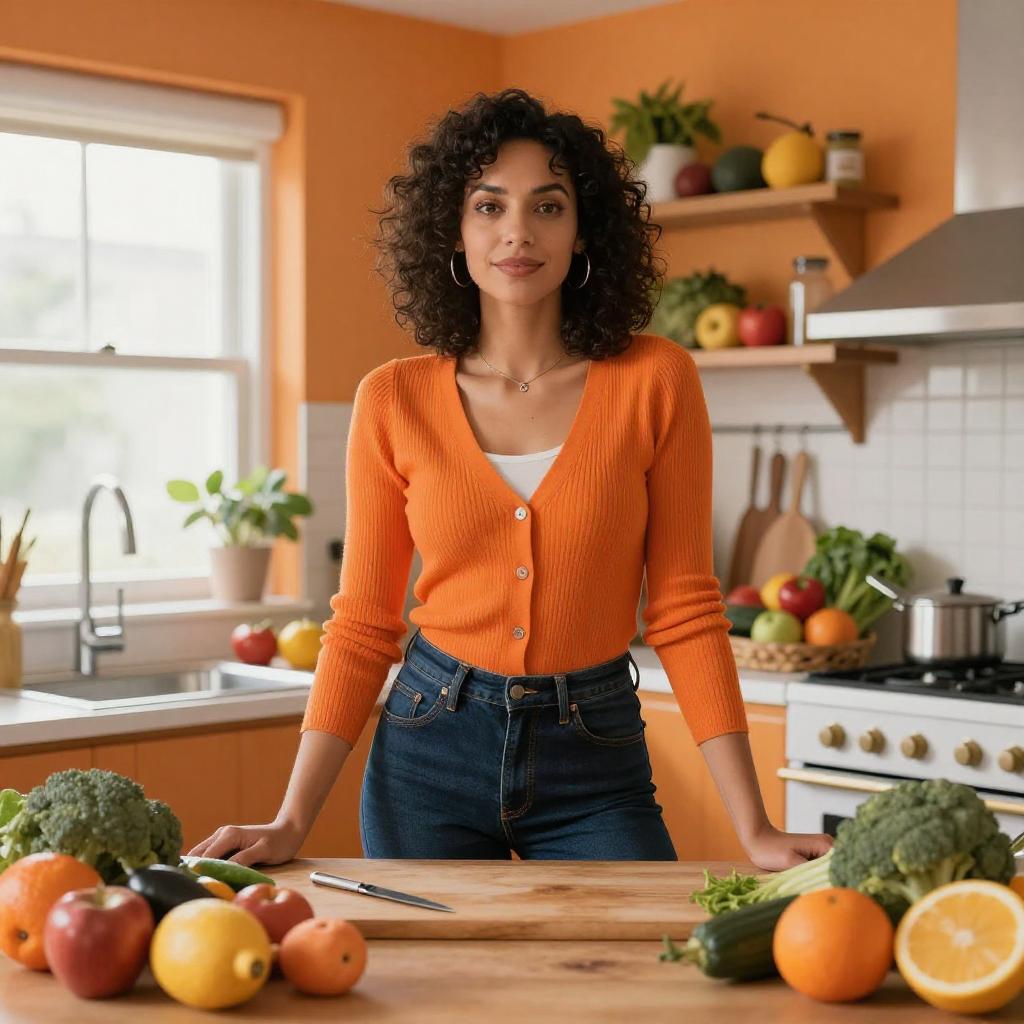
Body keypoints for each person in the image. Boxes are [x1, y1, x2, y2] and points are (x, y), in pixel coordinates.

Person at [189, 87, 832, 869]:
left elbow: (687, 611)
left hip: (594, 751)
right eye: (489, 207)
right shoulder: (391, 399)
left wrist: (755, 828)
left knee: (630, 981)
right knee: (439, 991)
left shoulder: (657, 381)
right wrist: (292, 820)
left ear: (583, 228)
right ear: (453, 233)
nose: (518, 232)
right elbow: (362, 623)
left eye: (548, 206)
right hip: (428, 746)